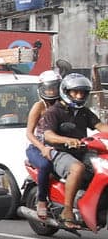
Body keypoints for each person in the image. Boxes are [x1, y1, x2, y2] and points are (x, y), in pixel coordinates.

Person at [40, 73, 108, 229]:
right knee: (77, 168)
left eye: (82, 92)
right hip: (59, 153)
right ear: (66, 91)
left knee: (101, 167)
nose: (79, 95)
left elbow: (99, 126)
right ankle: (67, 210)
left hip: (82, 151)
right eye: (75, 92)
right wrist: (67, 140)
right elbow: (48, 135)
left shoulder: (84, 111)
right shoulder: (54, 112)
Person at [24, 70, 61, 220]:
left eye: (54, 87)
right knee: (45, 165)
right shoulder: (39, 107)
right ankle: (41, 201)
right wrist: (42, 148)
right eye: (48, 88)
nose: (51, 91)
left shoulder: (63, 105)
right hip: (37, 149)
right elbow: (29, 133)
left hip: (58, 147)